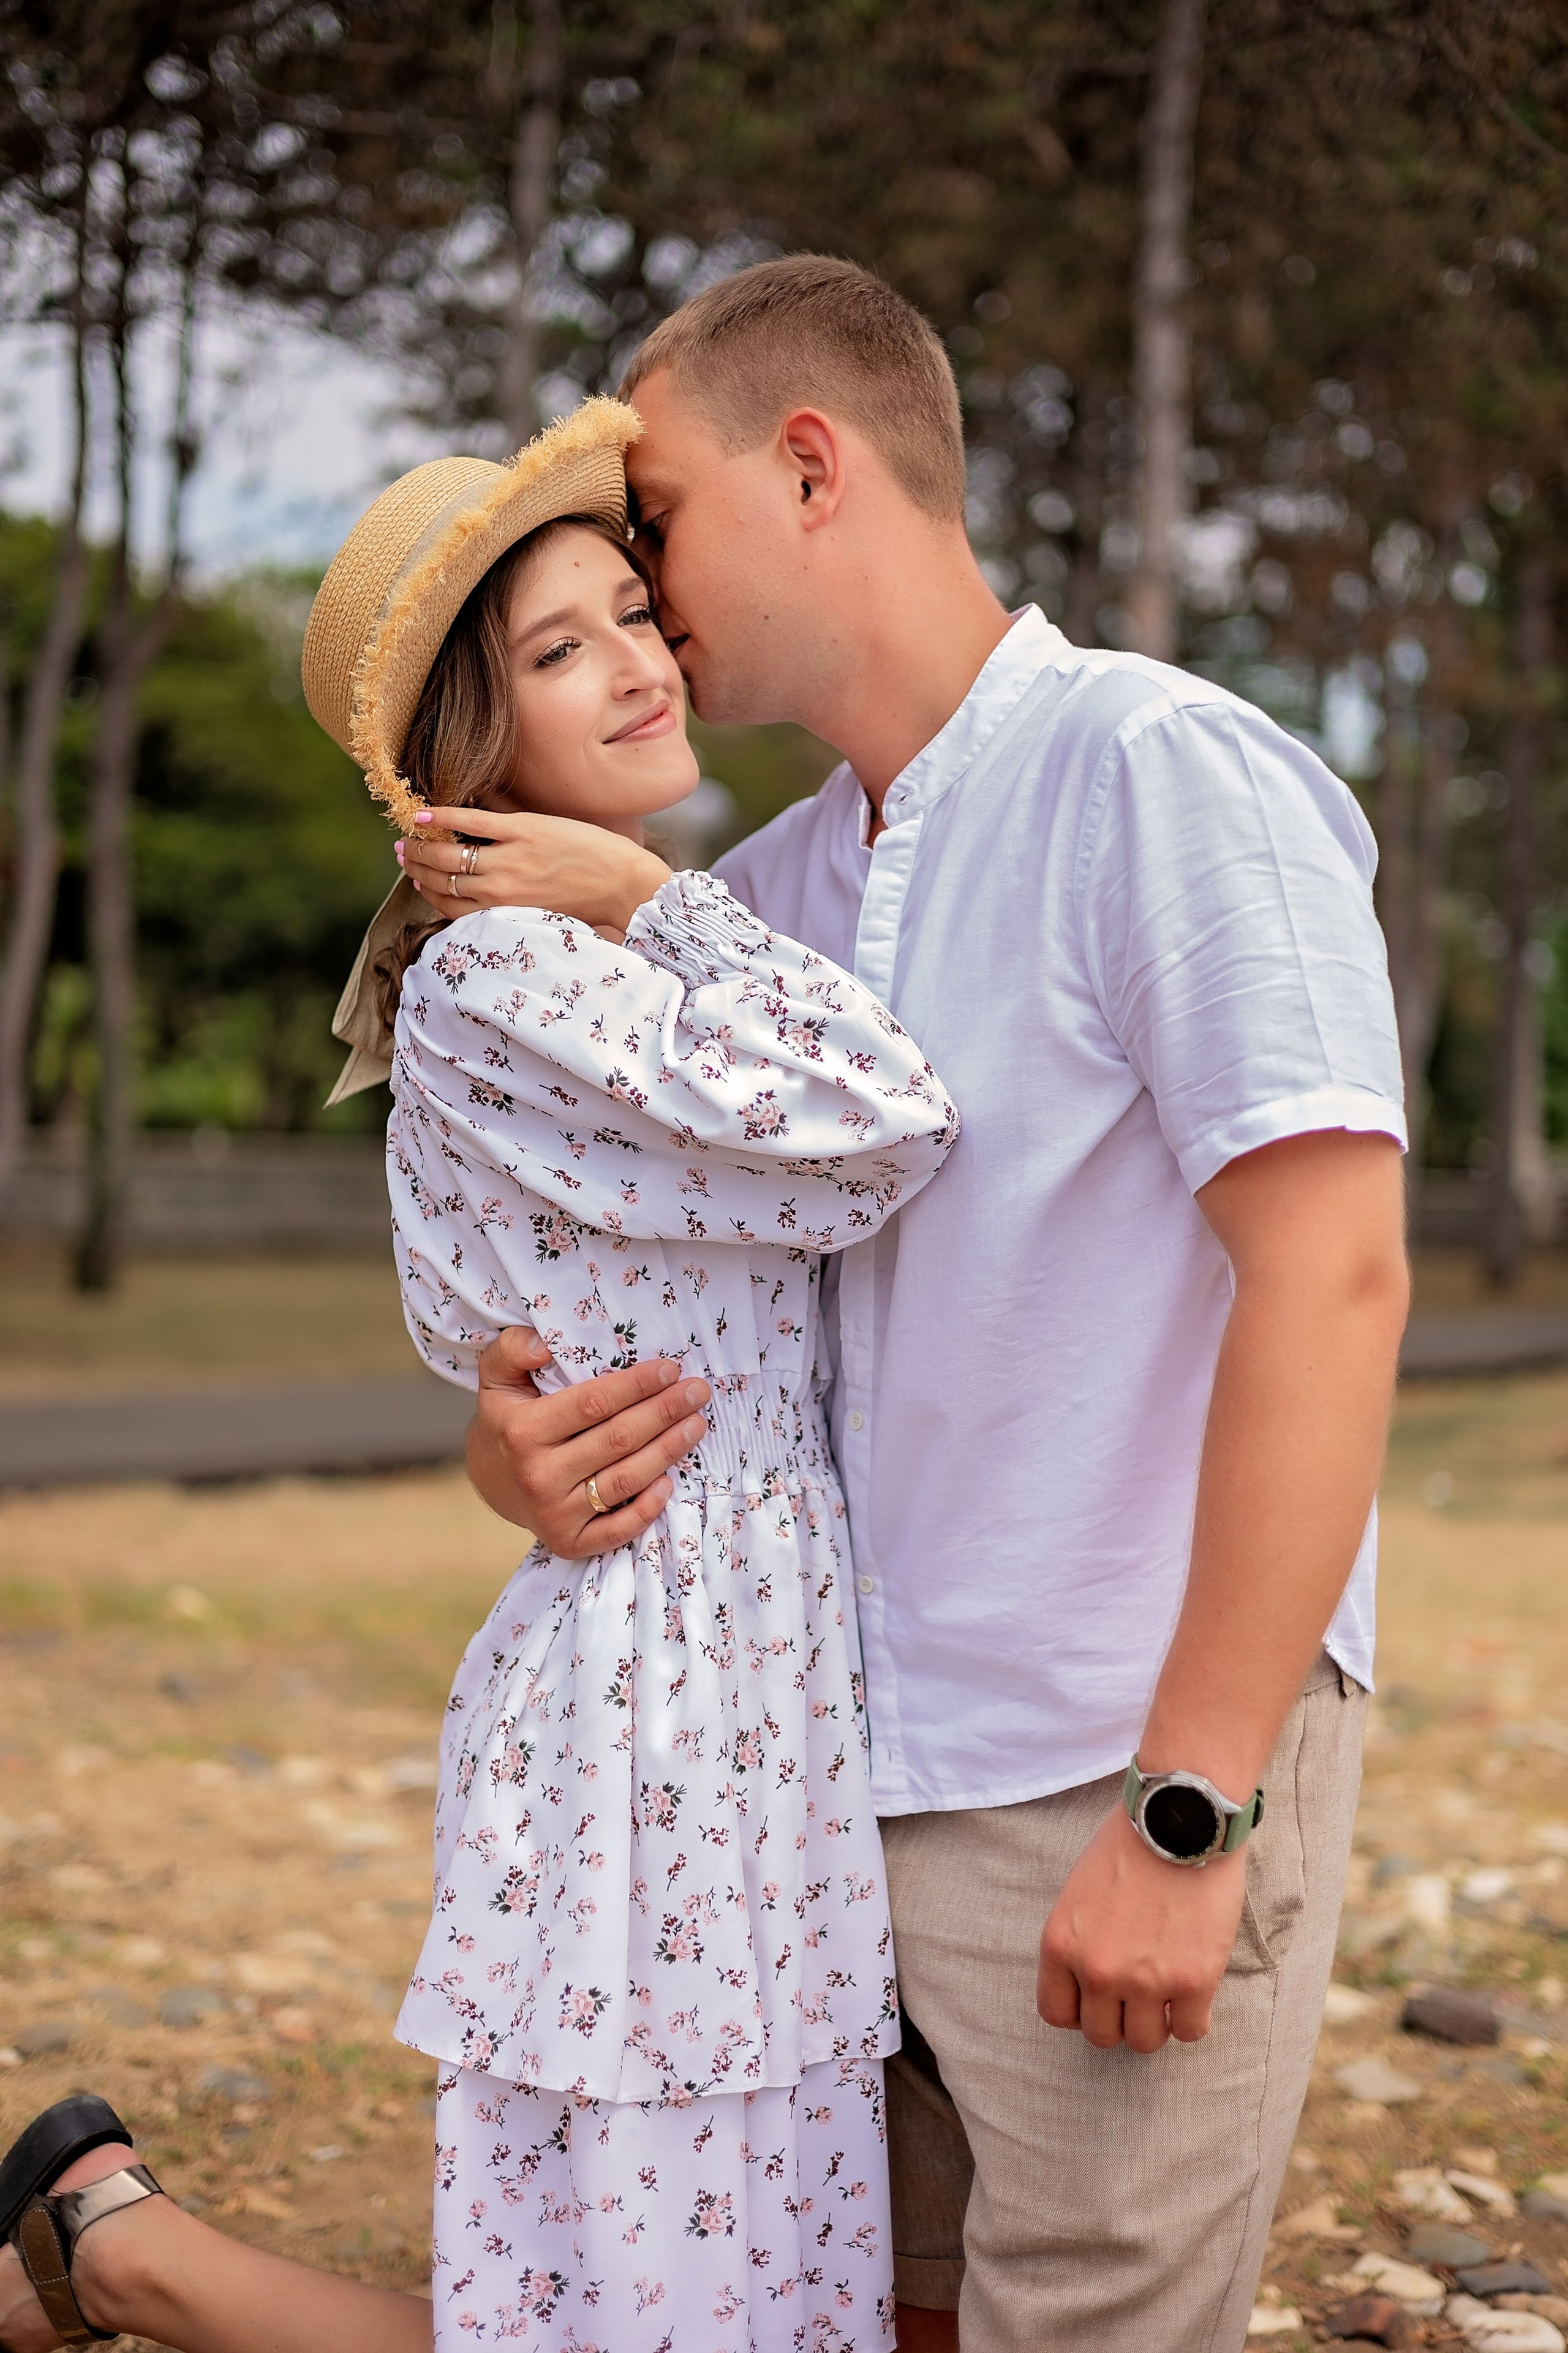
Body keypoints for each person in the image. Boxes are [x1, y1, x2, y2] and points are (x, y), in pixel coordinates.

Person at [417, 257, 1412, 2353]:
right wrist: (512, 1439)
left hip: (1107, 1765)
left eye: (656, 519)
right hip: (818, 1795)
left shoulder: (1161, 772)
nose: (646, 586)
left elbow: (1334, 1277)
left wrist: (1189, 1803)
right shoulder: (757, 894)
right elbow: (651, 1278)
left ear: (808, 467)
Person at [0, 401, 958, 2352]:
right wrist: (650, 901)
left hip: (741, 1677)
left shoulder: (604, 951)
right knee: (645, 2314)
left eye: (633, 609)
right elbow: (885, 1125)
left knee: (703, 2300)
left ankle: (116, 2252)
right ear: (465, 743)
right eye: (556, 648)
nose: (633, 660)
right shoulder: (518, 971)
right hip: (669, 1708)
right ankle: (130, 2251)